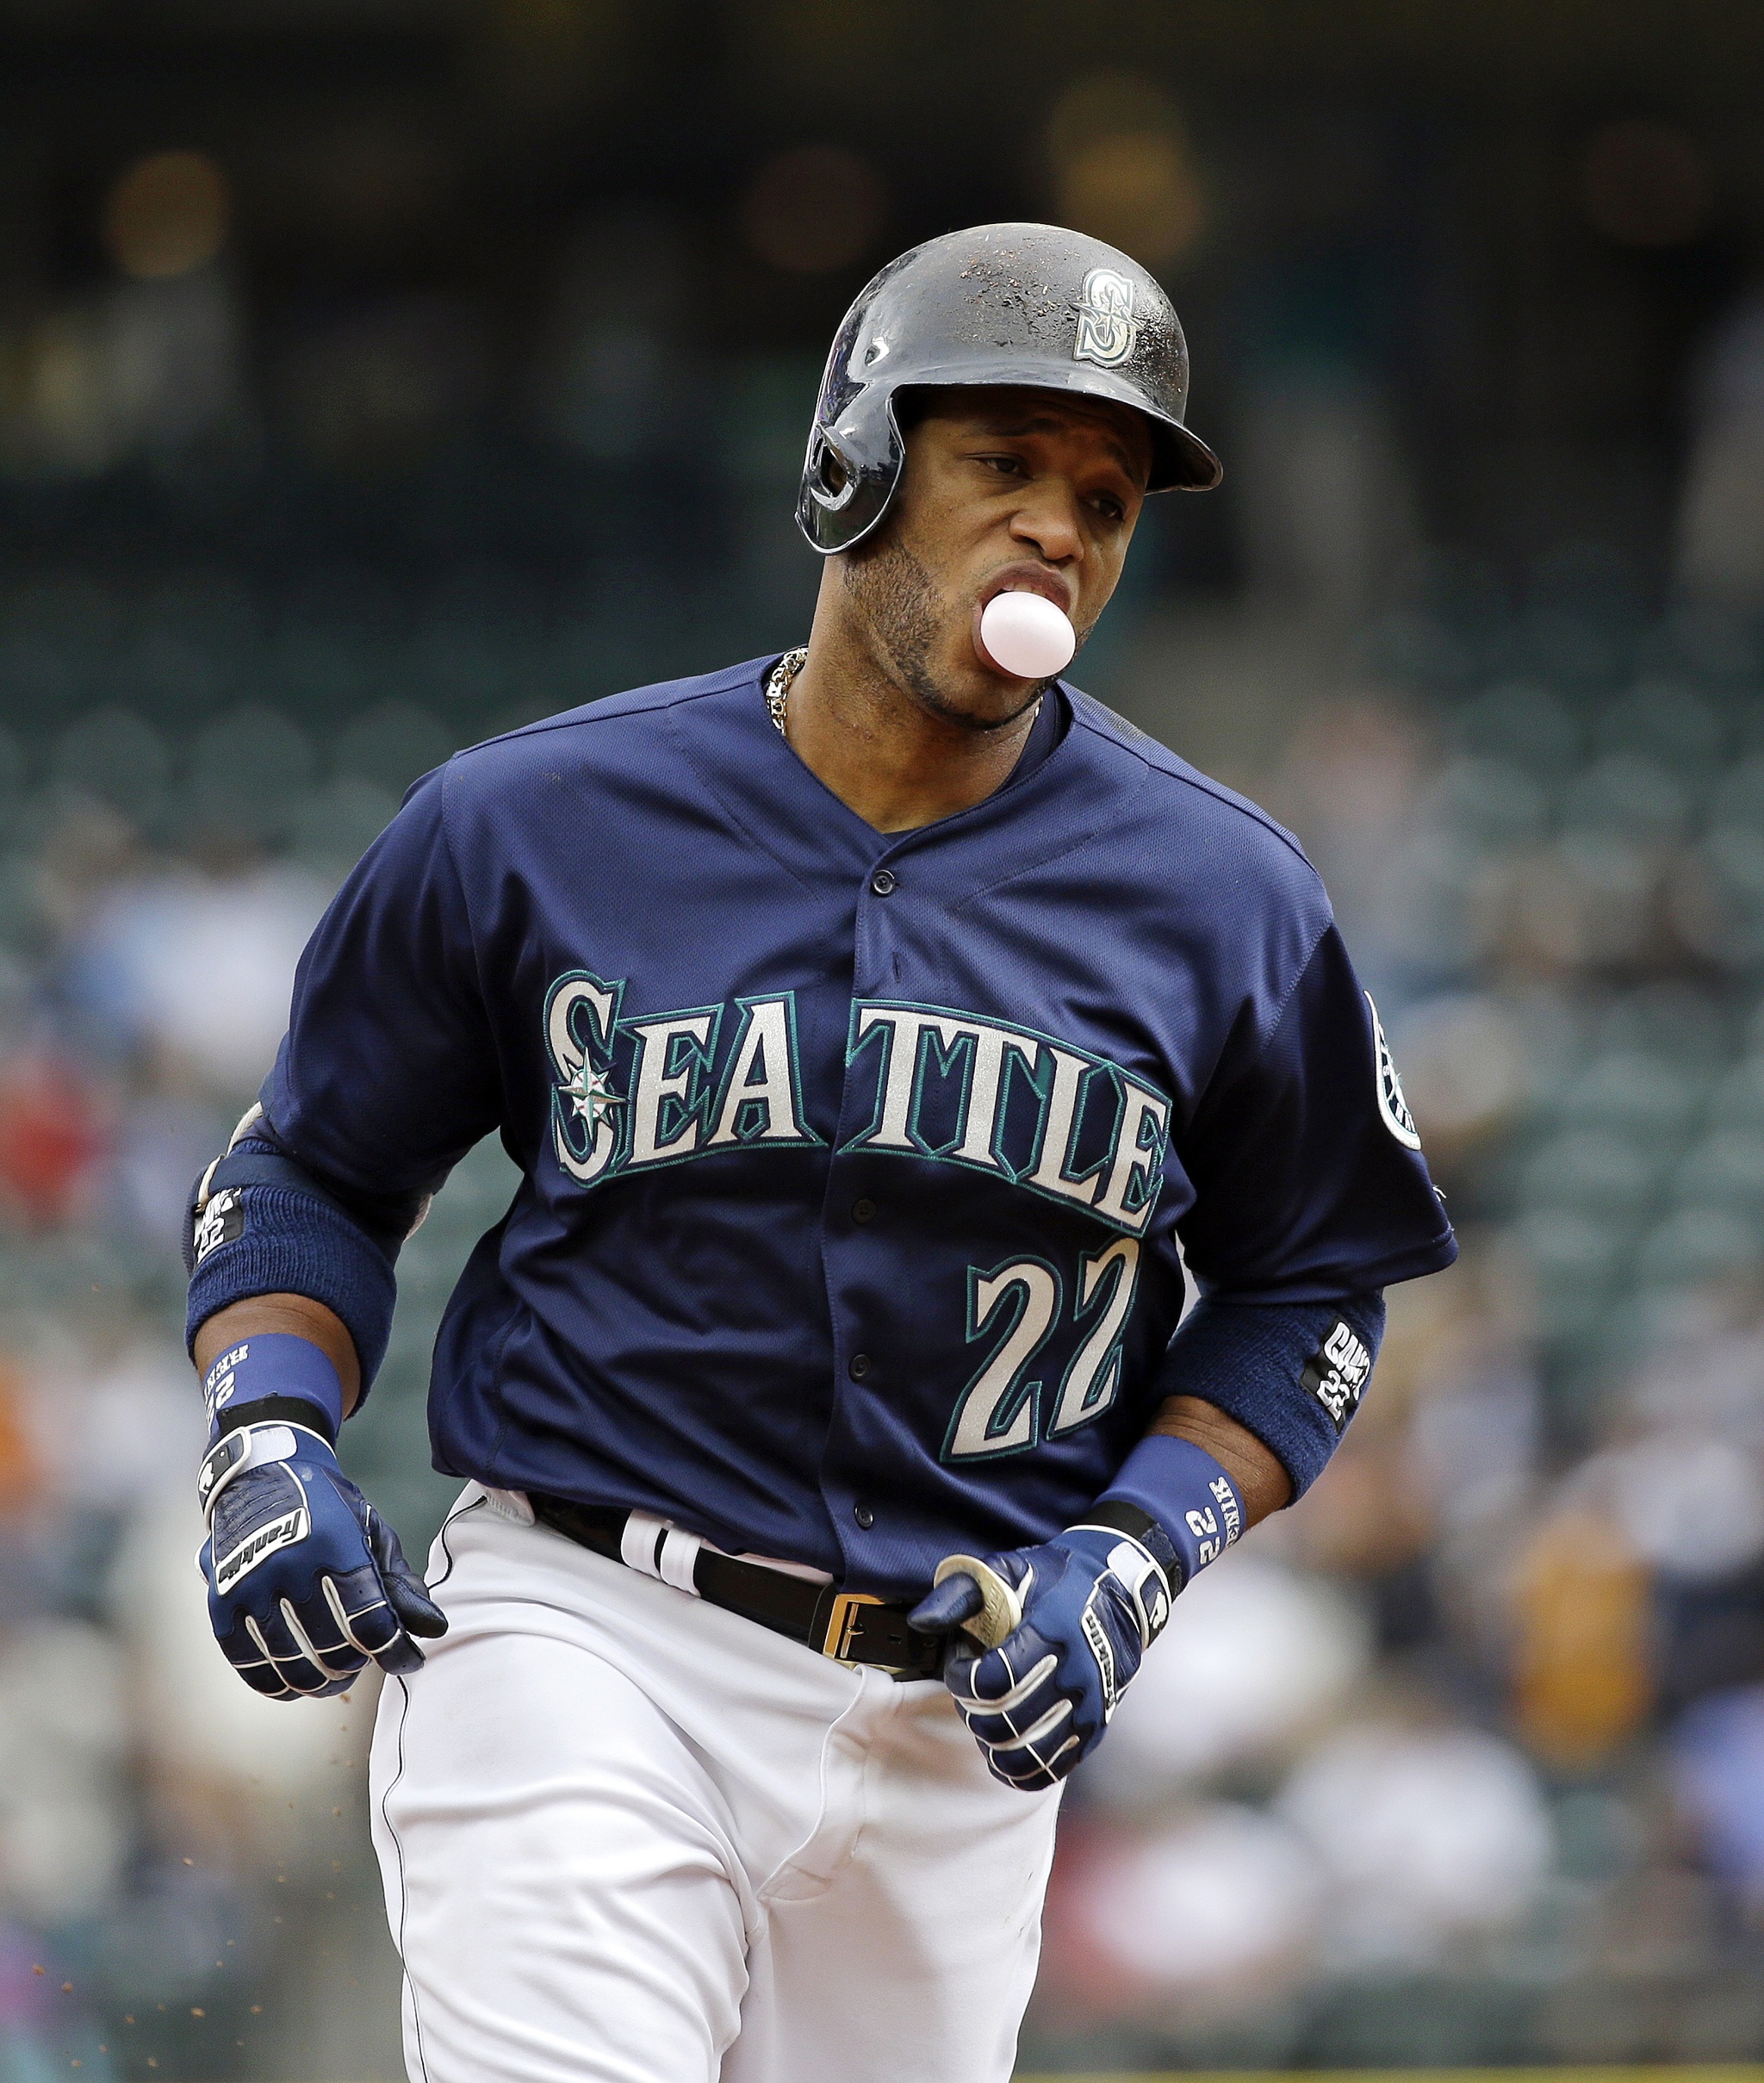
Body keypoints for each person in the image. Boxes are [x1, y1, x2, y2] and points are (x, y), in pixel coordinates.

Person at [183, 222, 1456, 2083]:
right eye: (1002, 464)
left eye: (1101, 496)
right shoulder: (534, 820)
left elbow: (1306, 1281)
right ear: (853, 461)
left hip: (963, 1714)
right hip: (593, 1633)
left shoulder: (1223, 897)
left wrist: (1140, 1548)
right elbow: (311, 1166)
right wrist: (265, 1439)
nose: (1058, 530)